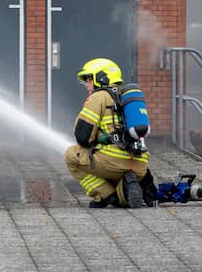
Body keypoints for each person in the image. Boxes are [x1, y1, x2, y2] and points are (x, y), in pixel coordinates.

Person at [63, 57, 149, 208]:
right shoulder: (127, 97)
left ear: (100, 78)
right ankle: (126, 189)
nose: (87, 84)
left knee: (71, 155)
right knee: (122, 197)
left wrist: (98, 139)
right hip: (140, 165)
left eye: (89, 79)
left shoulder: (98, 97)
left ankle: (104, 195)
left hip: (112, 162)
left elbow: (82, 137)